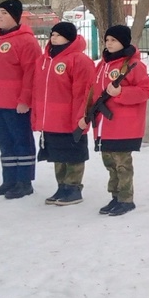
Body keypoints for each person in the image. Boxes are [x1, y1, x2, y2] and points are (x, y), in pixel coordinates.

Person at [0, 0, 42, 199]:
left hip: (15, 103)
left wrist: (25, 99)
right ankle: (9, 180)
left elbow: (31, 73)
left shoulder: (26, 41)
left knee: (21, 140)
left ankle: (24, 181)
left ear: (15, 16)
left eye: (4, 13)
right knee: (3, 141)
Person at [89, 25, 149, 217]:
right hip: (105, 125)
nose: (108, 43)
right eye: (107, 40)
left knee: (122, 164)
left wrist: (122, 93)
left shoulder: (133, 65)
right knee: (109, 162)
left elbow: (146, 91)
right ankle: (115, 196)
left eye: (113, 40)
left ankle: (126, 199)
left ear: (123, 42)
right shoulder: (102, 65)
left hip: (124, 124)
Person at [32, 22, 96, 206]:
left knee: (73, 153)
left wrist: (80, 117)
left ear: (69, 37)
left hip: (70, 117)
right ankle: (62, 186)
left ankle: (73, 188)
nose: (53, 37)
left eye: (58, 35)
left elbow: (84, 92)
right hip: (50, 118)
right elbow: (38, 89)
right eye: (52, 34)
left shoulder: (79, 60)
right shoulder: (44, 60)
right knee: (57, 154)